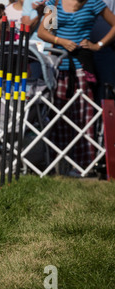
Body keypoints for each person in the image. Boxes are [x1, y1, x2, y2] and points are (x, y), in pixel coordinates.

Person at [37, 0, 115, 175]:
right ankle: (59, 164)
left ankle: (83, 165)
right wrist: (60, 41)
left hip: (82, 65)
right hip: (60, 64)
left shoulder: (93, 3)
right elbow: (43, 32)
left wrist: (98, 45)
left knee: (84, 116)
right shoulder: (55, 2)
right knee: (58, 115)